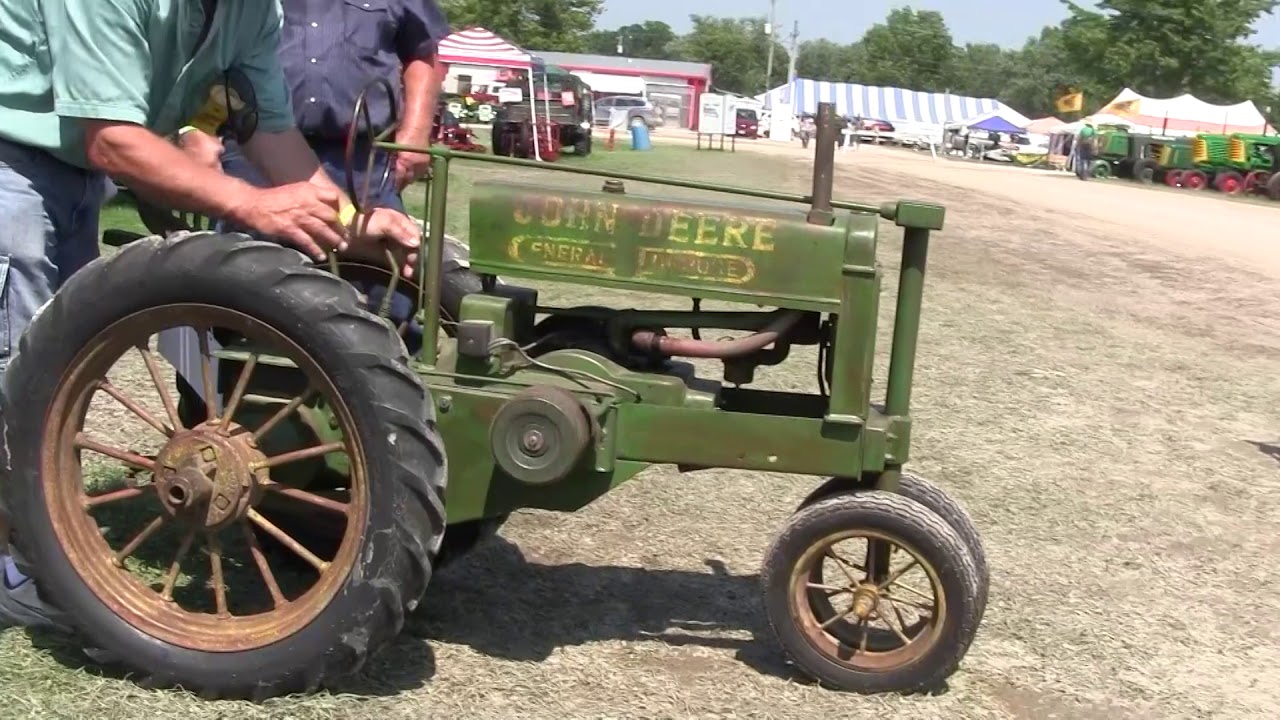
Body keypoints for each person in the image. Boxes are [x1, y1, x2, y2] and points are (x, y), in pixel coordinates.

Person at [0, 0, 423, 631]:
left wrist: (351, 224)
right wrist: (250, 204)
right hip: (13, 159)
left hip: (79, 173)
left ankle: (27, 544)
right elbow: (111, 138)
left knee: (48, 369)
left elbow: (272, 134)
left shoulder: (254, 11)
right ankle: (11, 565)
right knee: (13, 360)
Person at [158, 0, 453, 413]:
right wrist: (198, 128)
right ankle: (216, 418)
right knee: (236, 285)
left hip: (359, 158)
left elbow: (424, 50)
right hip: (254, 147)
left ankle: (389, 423)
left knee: (389, 292)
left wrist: (416, 132)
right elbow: (206, 50)